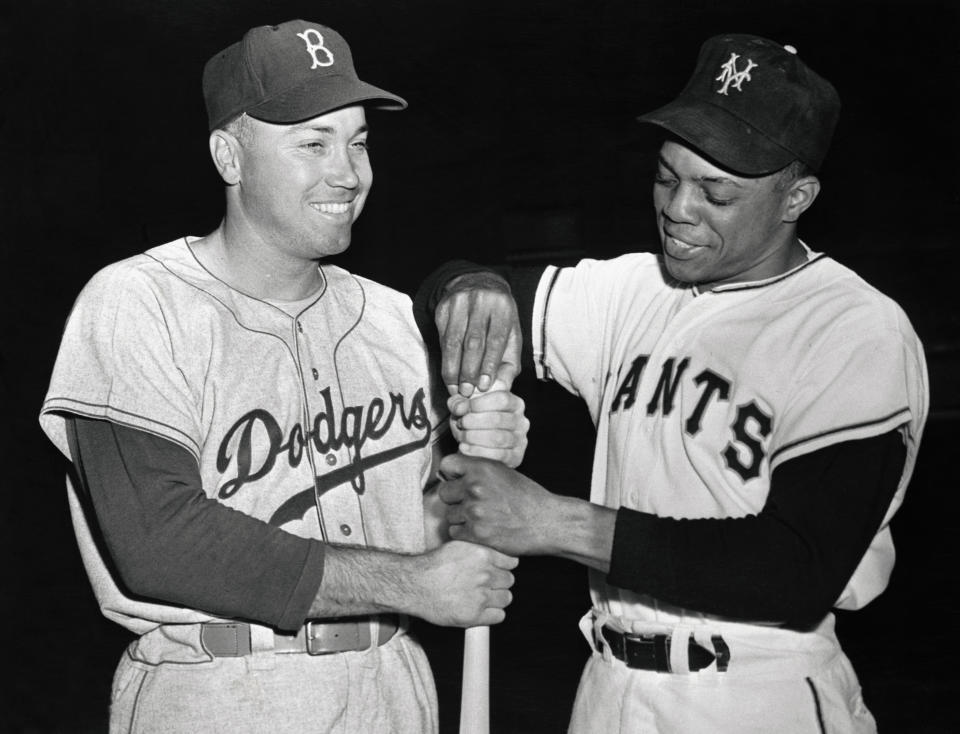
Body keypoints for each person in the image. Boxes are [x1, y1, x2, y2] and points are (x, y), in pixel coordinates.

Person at [418, 33, 929, 733]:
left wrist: (548, 521)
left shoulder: (853, 327)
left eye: (715, 192)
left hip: (757, 688)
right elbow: (460, 288)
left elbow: (793, 568)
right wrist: (469, 290)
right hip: (610, 688)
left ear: (796, 197)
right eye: (667, 176)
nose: (679, 209)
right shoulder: (633, 288)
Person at [39, 19, 529, 734]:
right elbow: (160, 542)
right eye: (312, 143)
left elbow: (411, 531)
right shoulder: (137, 301)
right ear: (229, 156)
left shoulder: (394, 320)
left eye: (358, 142)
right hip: (221, 691)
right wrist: (417, 584)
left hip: (393, 683)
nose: (348, 172)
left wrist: (478, 480)